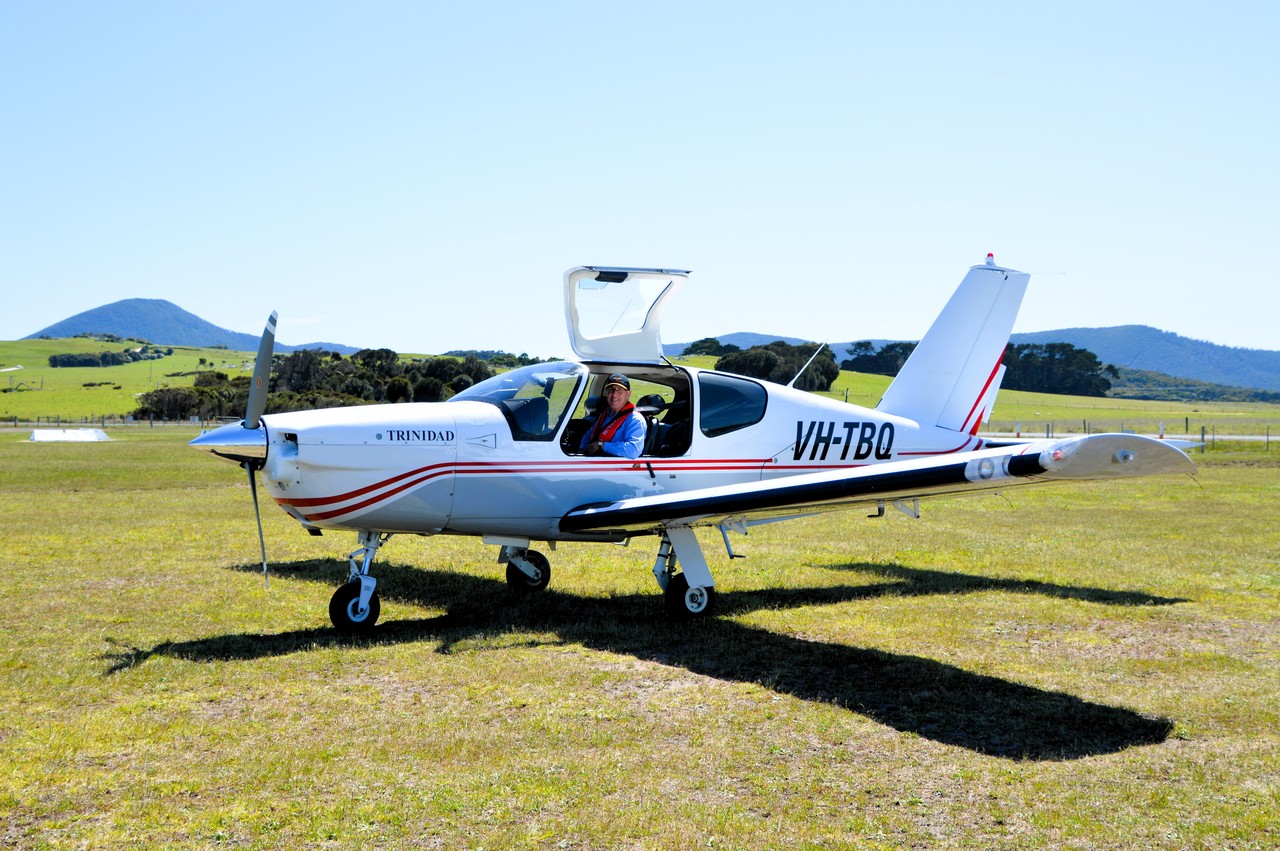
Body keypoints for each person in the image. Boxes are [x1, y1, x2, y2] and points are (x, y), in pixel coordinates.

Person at [580, 373, 646, 459]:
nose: (614, 395)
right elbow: (589, 435)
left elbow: (633, 450)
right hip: (596, 463)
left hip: (618, 469)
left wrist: (602, 446)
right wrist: (581, 450)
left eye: (620, 390)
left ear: (628, 394)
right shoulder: (605, 414)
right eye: (611, 390)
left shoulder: (635, 419)